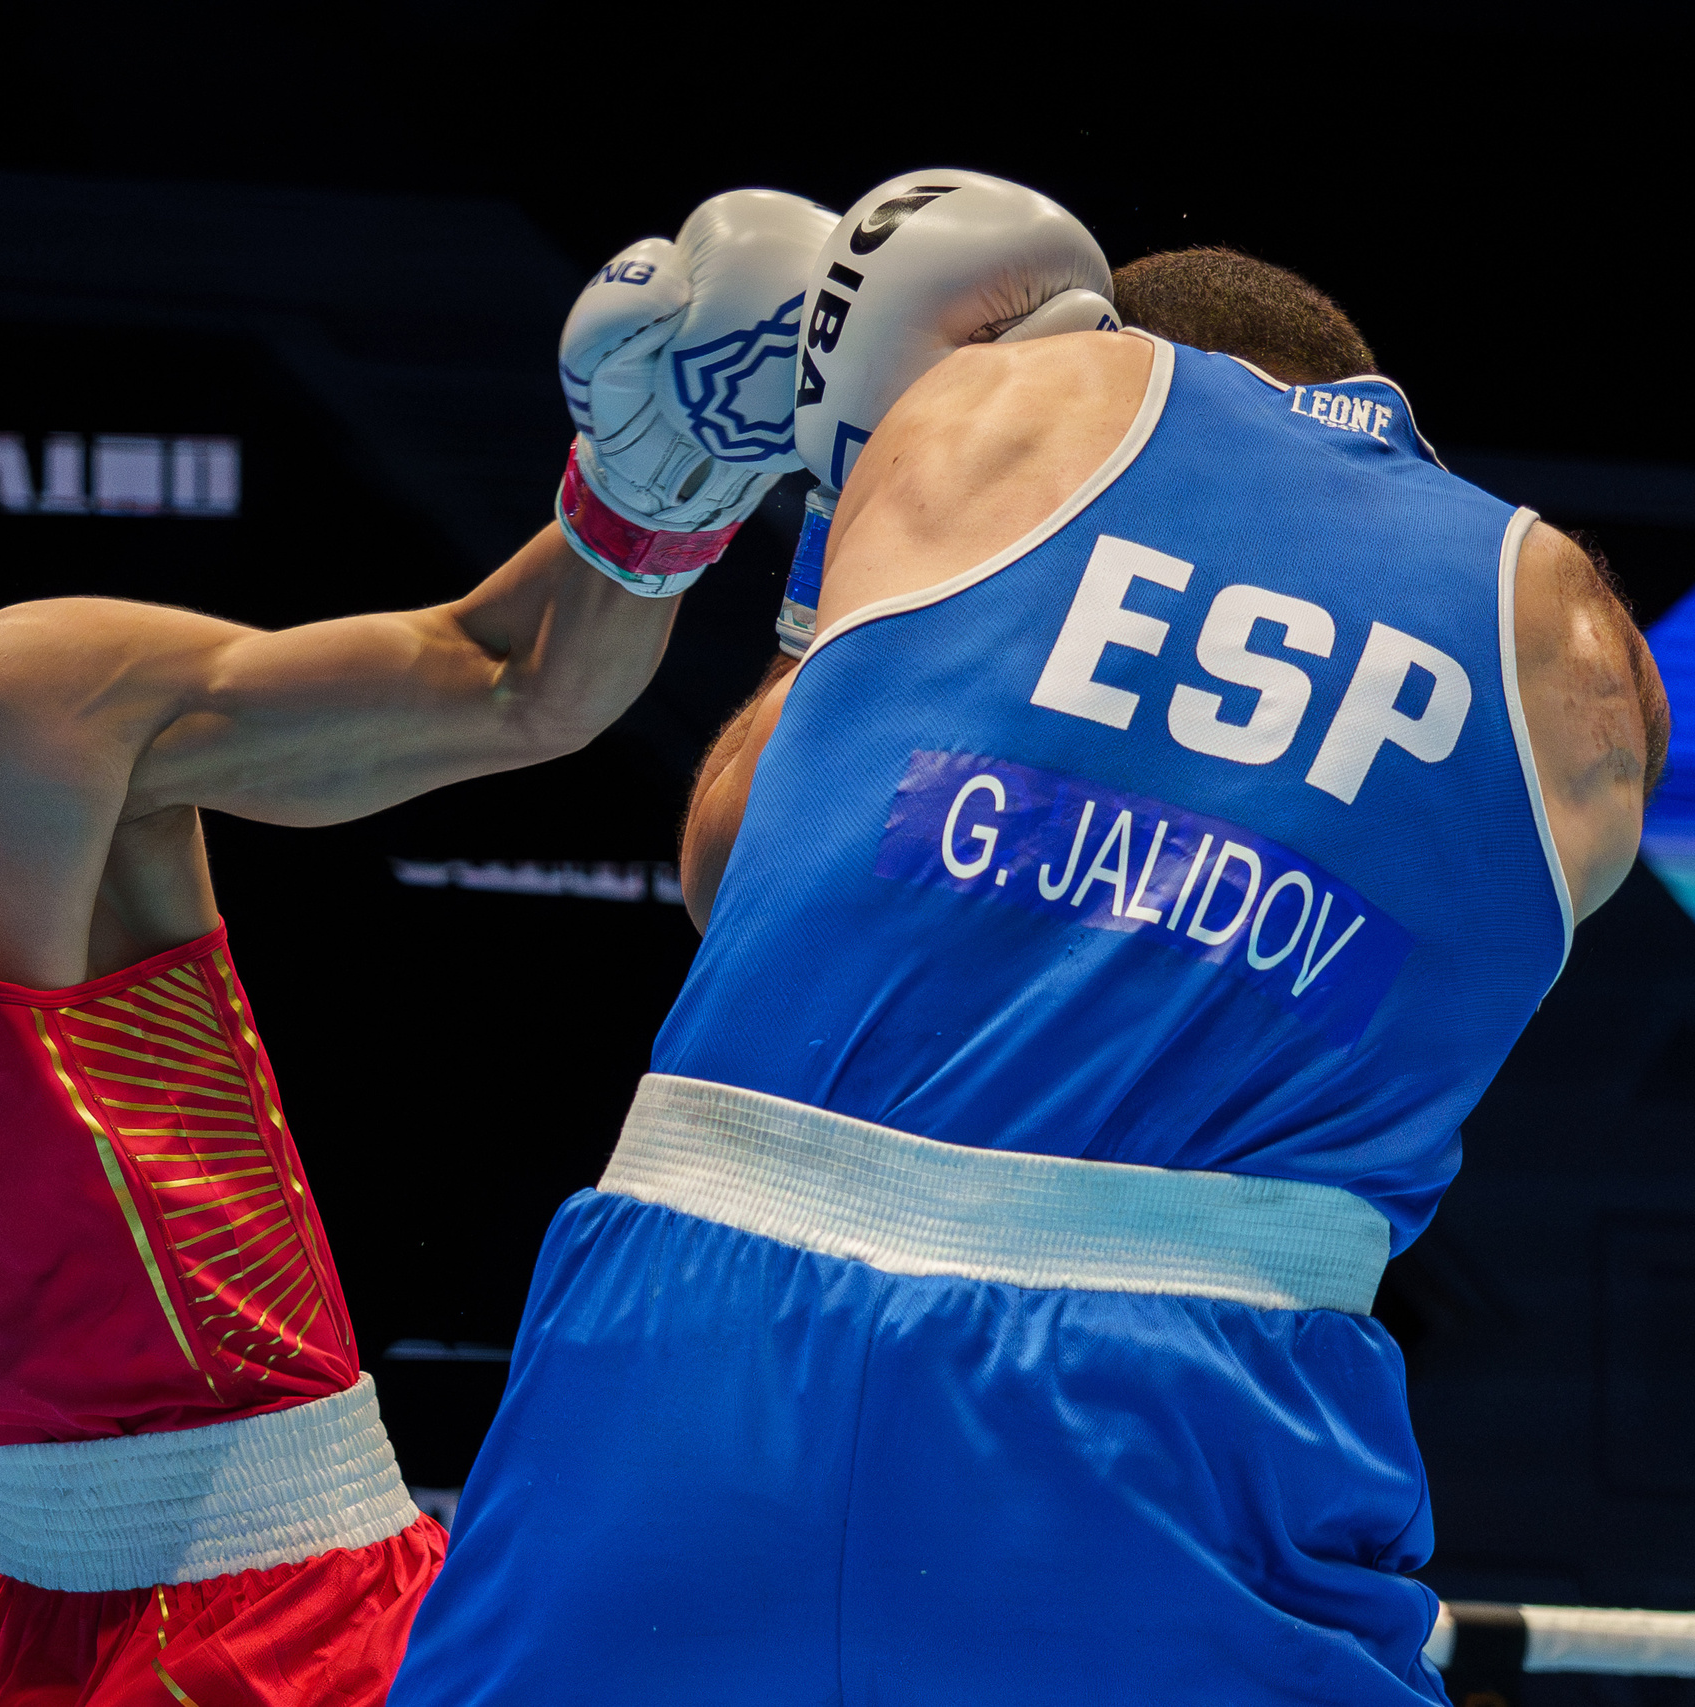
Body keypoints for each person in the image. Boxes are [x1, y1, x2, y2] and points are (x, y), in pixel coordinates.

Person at [0, 184, 858, 1706]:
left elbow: (508, 680)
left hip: (283, 1613)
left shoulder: (14, 726)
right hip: (7, 1617)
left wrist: (651, 477)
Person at [389, 184, 1671, 1702]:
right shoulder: (1578, 658)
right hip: (1188, 1409)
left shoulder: (1007, 413)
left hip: (703, 1336)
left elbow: (732, 865)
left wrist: (831, 569)